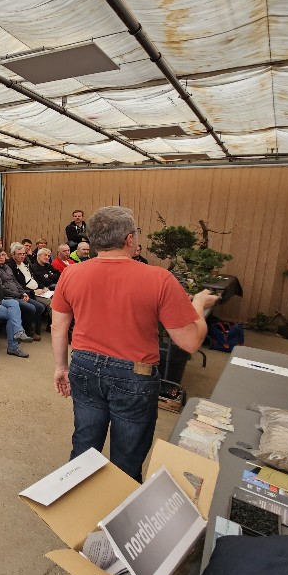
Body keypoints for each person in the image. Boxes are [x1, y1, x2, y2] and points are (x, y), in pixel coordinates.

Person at [51, 206, 218, 482]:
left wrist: (61, 367)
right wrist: (198, 305)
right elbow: (190, 341)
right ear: (129, 239)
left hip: (84, 365)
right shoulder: (159, 278)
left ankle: (74, 499)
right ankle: (120, 506)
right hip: (134, 374)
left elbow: (59, 326)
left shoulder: (72, 274)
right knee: (126, 460)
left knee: (83, 446)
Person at [0, 246, 42, 340]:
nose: (2, 257)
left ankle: (21, 328)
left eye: (3, 255)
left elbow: (15, 282)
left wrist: (23, 293)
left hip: (17, 294)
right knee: (31, 308)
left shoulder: (6, 267)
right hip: (6, 297)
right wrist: (19, 295)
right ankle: (25, 331)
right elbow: (1, 289)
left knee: (40, 307)